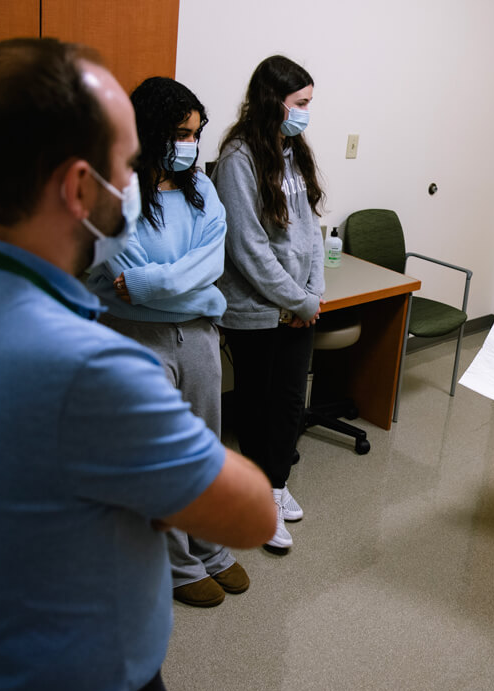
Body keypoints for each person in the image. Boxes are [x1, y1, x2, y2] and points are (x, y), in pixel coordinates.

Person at [0, 38, 276, 691]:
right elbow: (252, 513)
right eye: (125, 165)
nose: (135, 181)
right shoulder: (86, 366)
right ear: (79, 187)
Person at [86, 76, 246, 609]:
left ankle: (211, 547)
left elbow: (210, 265)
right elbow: (119, 274)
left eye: (195, 135)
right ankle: (176, 564)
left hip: (198, 336)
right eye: (180, 133)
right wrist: (181, 287)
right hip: (134, 338)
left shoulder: (203, 191)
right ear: (149, 132)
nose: (190, 145)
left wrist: (154, 286)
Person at [213, 54, 324, 552]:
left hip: (297, 304)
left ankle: (275, 487)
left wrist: (312, 294)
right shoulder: (239, 157)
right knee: (256, 410)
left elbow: (312, 230)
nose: (306, 113)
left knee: (288, 402)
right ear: (272, 101)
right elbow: (248, 248)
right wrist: (294, 299)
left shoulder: (293, 148)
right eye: (300, 103)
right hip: (257, 308)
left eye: (309, 104)